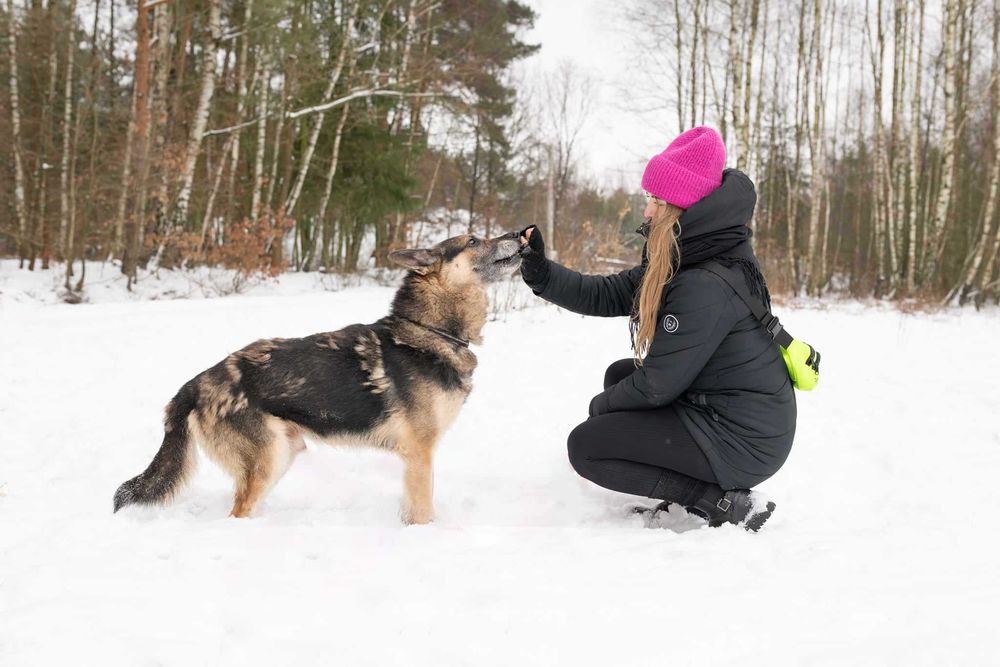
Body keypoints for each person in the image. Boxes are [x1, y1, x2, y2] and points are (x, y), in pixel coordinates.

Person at [517, 126, 796, 532]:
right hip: (727, 408)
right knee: (619, 375)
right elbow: (610, 293)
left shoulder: (703, 282)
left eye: (655, 200)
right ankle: (696, 485)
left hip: (744, 439)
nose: (647, 211)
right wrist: (541, 273)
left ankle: (719, 501)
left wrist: (601, 409)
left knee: (588, 445)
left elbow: (656, 386)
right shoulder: (695, 250)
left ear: (681, 206)